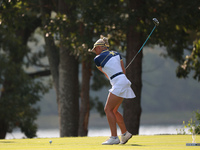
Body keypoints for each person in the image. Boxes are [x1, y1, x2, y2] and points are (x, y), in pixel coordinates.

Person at [89, 37, 136, 145]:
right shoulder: (116, 53)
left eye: (95, 49)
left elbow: (106, 74)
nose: (94, 52)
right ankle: (125, 134)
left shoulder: (97, 59)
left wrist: (115, 79)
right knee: (113, 110)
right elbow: (123, 71)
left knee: (107, 109)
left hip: (118, 82)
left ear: (100, 47)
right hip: (123, 80)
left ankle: (114, 137)